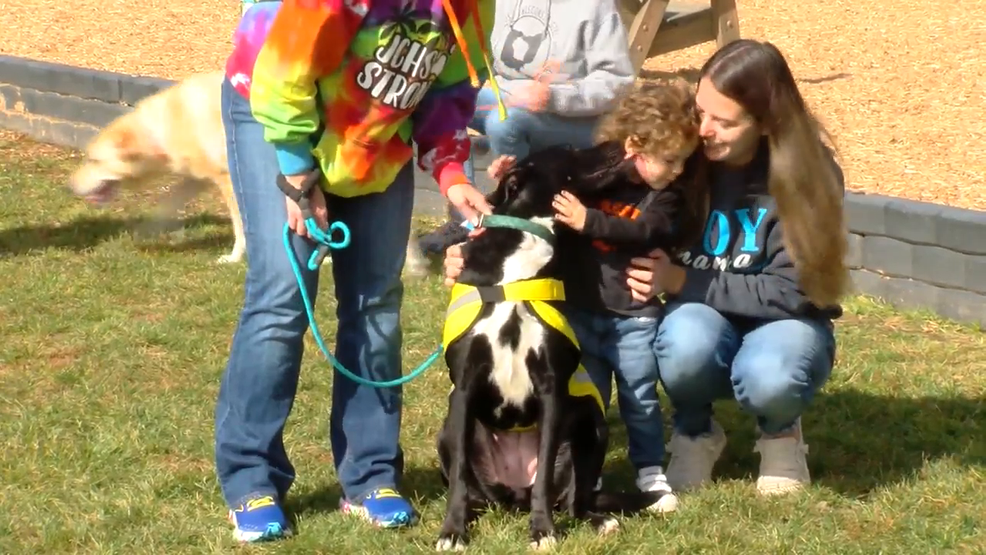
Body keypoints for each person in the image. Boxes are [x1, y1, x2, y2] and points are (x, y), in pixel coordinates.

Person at [442, 39, 850, 497]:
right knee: (683, 344)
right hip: (700, 312)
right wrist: (476, 250)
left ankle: (780, 433)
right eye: (702, 111)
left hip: (782, 320)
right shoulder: (681, 155)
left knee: (772, 373)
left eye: (724, 121)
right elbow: (567, 185)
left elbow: (796, 291)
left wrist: (680, 280)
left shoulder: (806, 173)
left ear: (763, 121)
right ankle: (695, 432)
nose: (706, 130)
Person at [216, 0, 497, 542]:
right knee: (282, 298)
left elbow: (448, 86)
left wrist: (452, 169)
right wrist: (297, 174)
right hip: (275, 107)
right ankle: (252, 480)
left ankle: (370, 476)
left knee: (376, 302)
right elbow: (283, 79)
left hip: (372, 130)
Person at [547, 79, 705, 513]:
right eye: (670, 160)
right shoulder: (597, 178)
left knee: (639, 395)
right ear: (634, 143)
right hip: (583, 312)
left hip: (633, 318)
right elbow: (552, 197)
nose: (677, 170)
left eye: (683, 162)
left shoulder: (664, 196)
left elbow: (643, 231)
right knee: (588, 398)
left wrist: (589, 222)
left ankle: (650, 469)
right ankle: (588, 468)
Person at [415, 0, 635, 252]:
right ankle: (466, 215)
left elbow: (617, 81)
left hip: (575, 115)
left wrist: (555, 96)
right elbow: (481, 57)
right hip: (508, 97)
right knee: (447, 103)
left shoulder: (596, 7)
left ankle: (510, 222)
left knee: (504, 123)